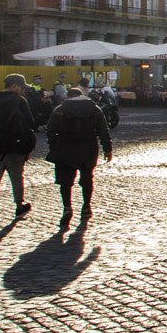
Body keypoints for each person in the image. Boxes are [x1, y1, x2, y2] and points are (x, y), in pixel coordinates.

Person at [46, 85, 112, 227]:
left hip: (66, 147)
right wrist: (107, 149)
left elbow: (50, 130)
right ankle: (86, 206)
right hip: (88, 148)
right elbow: (103, 130)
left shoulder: (60, 109)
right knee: (87, 178)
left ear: (68, 97)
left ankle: (67, 207)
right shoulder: (94, 109)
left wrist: (55, 145)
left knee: (65, 181)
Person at [0, 73, 37, 226]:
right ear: (13, 86)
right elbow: (31, 123)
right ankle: (19, 207)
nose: (22, 90)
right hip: (14, 147)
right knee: (17, 179)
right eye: (21, 87)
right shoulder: (19, 101)